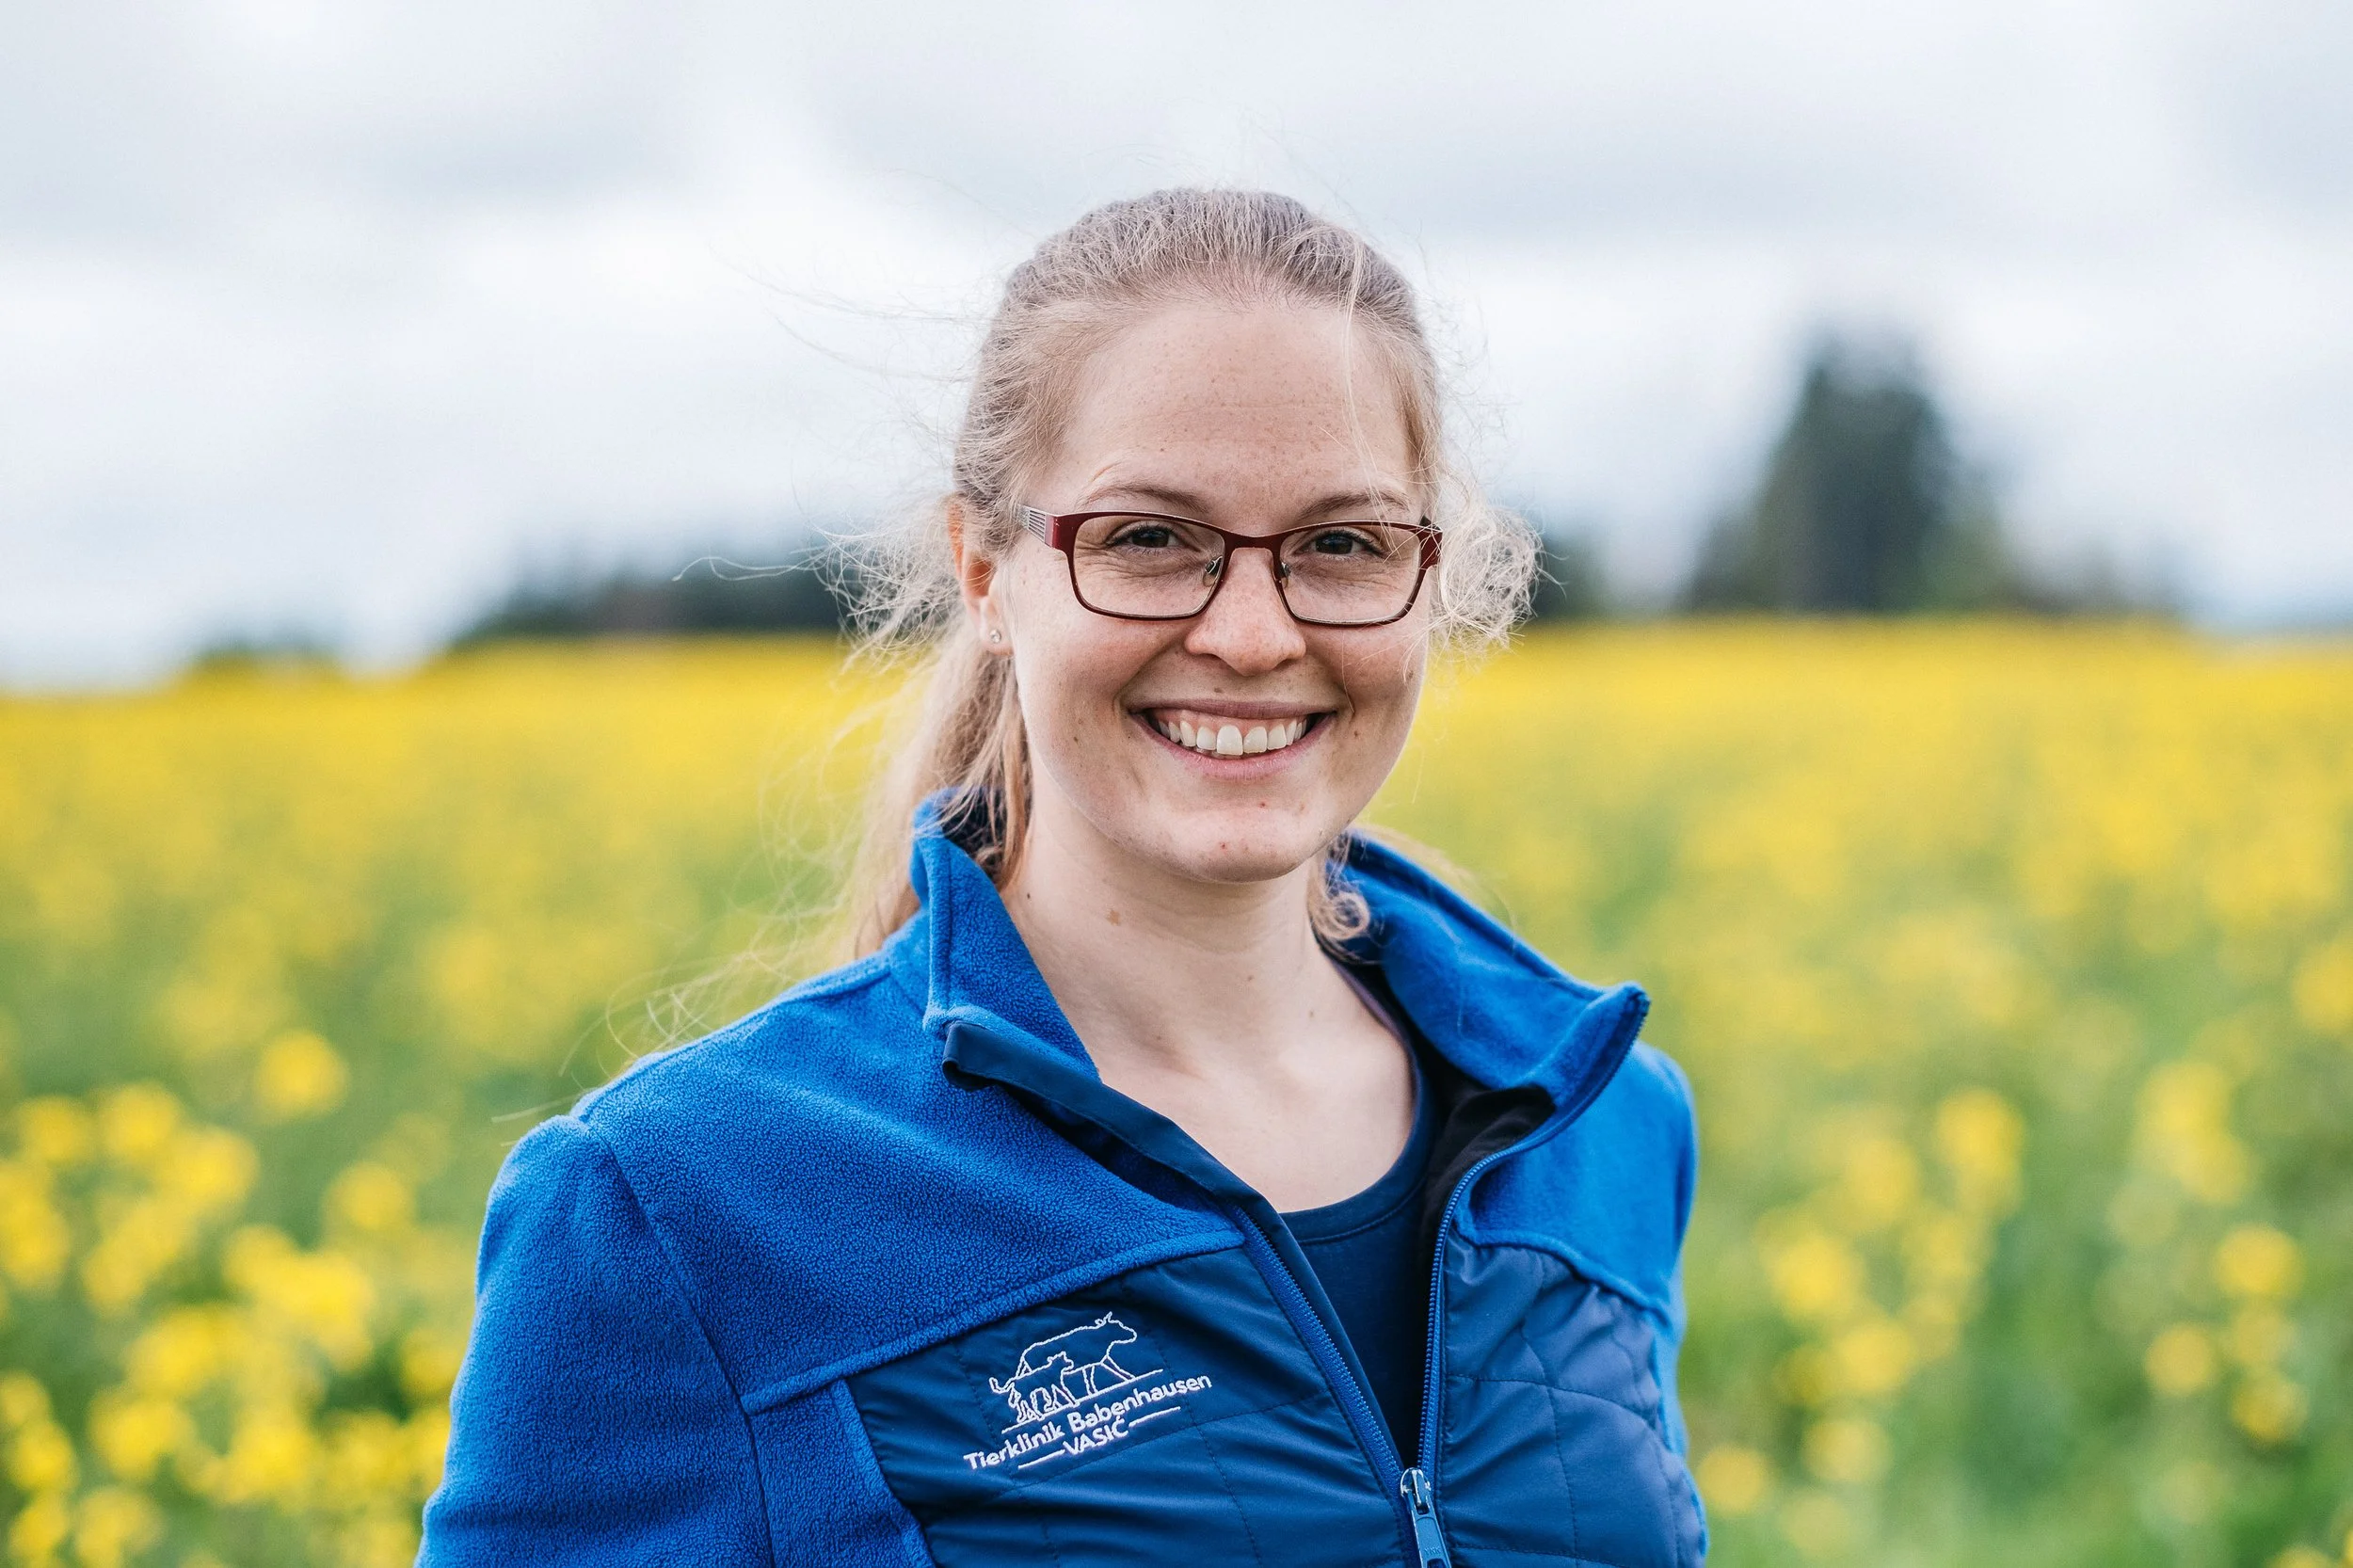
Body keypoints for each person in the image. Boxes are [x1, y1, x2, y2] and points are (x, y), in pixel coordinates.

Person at [420, 189, 1703, 1567]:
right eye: (1149, 538)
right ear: (985, 569)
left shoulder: (1605, 1127)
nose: (1254, 634)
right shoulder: (674, 1214)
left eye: (1343, 544)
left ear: (1428, 578)